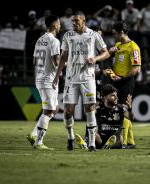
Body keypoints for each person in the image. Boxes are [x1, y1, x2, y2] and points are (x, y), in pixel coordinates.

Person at [52, 11, 109, 152]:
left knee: (90, 110)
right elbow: (63, 56)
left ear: (84, 21)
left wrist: (95, 59)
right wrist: (57, 74)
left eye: (76, 21)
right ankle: (71, 138)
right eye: (72, 21)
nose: (73, 23)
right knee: (67, 112)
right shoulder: (67, 35)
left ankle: (91, 144)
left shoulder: (93, 35)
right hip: (71, 79)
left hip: (88, 79)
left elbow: (106, 52)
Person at [26, 14, 61, 150]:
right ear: (55, 26)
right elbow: (56, 60)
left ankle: (34, 134)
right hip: (48, 80)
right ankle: (38, 142)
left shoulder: (40, 40)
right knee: (48, 111)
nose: (60, 26)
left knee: (54, 109)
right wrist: (64, 66)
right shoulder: (54, 41)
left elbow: (34, 61)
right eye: (59, 23)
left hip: (40, 78)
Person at [108, 20, 141, 149]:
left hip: (126, 81)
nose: (113, 36)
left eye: (114, 34)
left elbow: (136, 70)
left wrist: (121, 78)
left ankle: (124, 142)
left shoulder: (133, 47)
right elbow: (113, 60)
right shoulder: (118, 45)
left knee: (123, 109)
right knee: (119, 110)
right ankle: (131, 142)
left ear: (121, 32)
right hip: (116, 80)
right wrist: (111, 53)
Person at [76, 84, 134, 149]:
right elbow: (88, 113)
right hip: (101, 138)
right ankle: (86, 142)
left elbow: (131, 118)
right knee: (92, 130)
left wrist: (130, 109)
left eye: (116, 95)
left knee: (120, 138)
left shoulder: (121, 109)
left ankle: (107, 145)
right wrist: (89, 103)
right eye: (113, 95)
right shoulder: (99, 108)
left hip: (115, 137)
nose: (116, 97)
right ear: (105, 97)